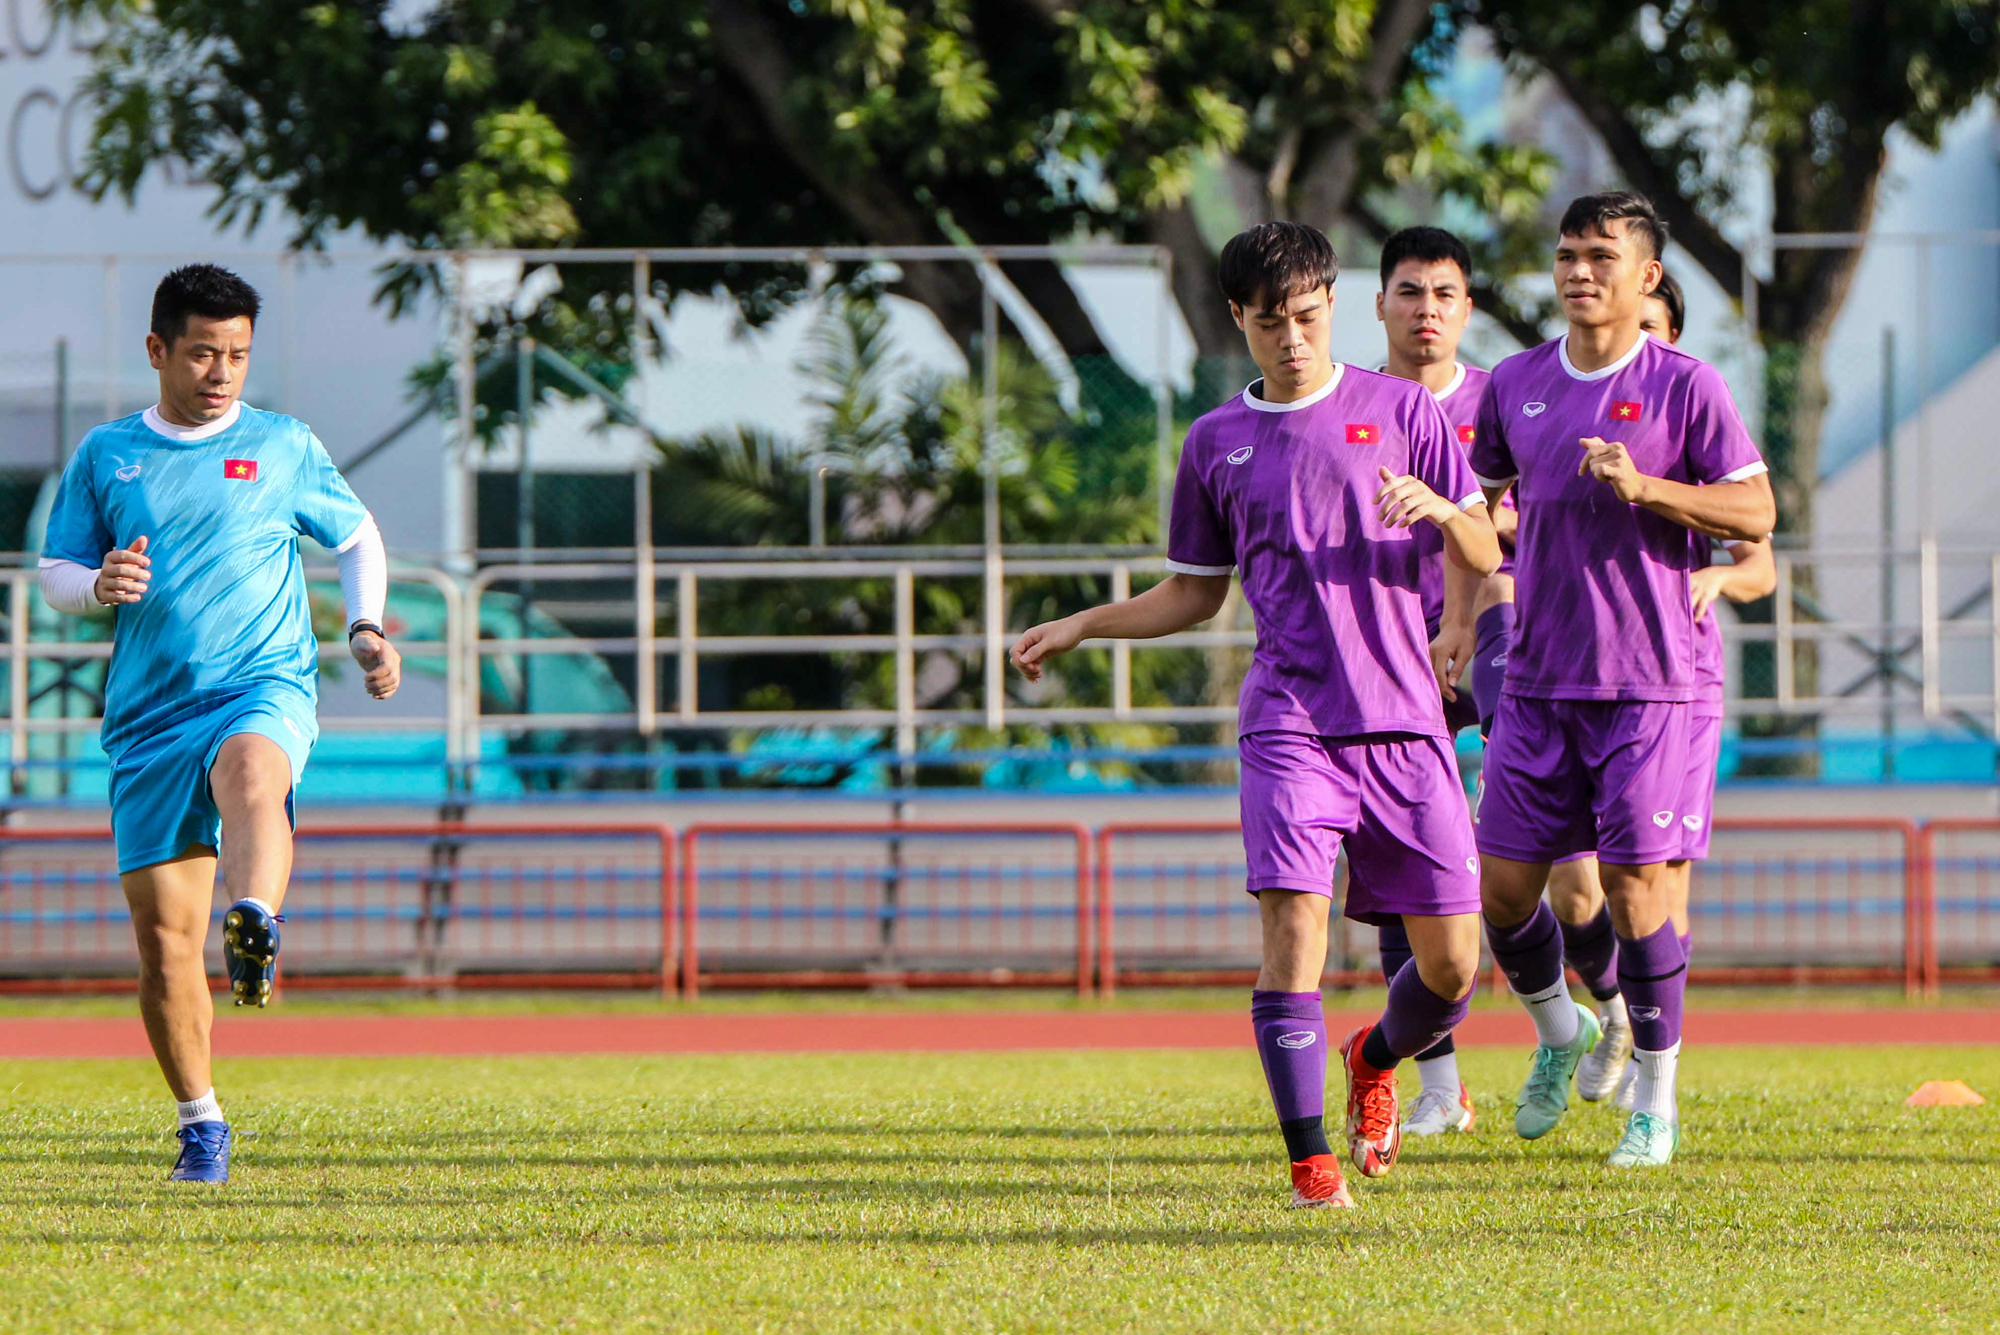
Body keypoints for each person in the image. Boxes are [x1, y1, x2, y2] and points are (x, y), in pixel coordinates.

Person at [1012, 222, 1499, 1209]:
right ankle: (1308, 1163)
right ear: (1238, 320)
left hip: (1405, 722)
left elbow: (1483, 553)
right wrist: (1084, 624)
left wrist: (1444, 512)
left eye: (1308, 317)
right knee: (1292, 933)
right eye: (1270, 322)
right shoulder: (1214, 443)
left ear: (1330, 303)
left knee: (1451, 967)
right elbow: (1192, 593)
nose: (1292, 338)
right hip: (1289, 722)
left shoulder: (1403, 412)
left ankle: (1371, 1059)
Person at [39, 264, 402, 1184]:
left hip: (261, 682)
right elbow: (56, 573)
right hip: (148, 717)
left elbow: (357, 533)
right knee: (164, 946)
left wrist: (365, 627)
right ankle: (201, 1121)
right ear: (159, 349)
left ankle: (253, 916)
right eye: (203, 351)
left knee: (253, 775)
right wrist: (97, 586)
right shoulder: (107, 454)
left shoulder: (283, 445)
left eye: (237, 353)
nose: (221, 371)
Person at [1466, 193, 1774, 1168]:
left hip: (1648, 683)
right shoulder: (1511, 383)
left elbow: (1756, 513)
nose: (1576, 271)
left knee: (1638, 891)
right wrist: (1453, 610)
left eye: (1600, 255)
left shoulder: (1686, 387)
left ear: (1645, 278)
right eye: (1564, 254)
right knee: (1502, 894)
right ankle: (1561, 1032)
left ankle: (1656, 1100)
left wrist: (1645, 489)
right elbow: (1482, 513)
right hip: (1535, 683)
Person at [1549, 270, 1777, 1105]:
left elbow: (1760, 553)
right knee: (1583, 878)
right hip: (1581, 675)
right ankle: (1622, 1015)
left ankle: (1654, 1059)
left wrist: (1717, 582)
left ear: (1669, 332)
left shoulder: (1693, 418)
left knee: (1659, 876)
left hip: (1684, 678)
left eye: (1653, 323)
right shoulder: (1577, 421)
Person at [1367, 225, 1488, 1138]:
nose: (1426, 310)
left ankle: (1577, 1019)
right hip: (1385, 678)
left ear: (1467, 307)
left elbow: (1529, 531)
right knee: (1399, 889)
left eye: (1443, 294)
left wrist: (1472, 601)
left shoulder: (1510, 399)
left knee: (1538, 879)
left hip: (1505, 669)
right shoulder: (1348, 404)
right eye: (1410, 292)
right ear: (1380, 305)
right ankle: (1438, 1084)